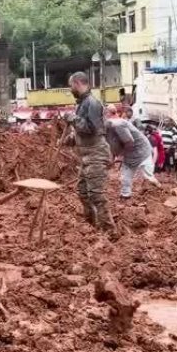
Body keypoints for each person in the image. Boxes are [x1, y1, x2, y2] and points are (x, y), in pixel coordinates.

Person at [61, 72, 115, 232]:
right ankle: (92, 226)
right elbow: (81, 132)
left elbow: (92, 129)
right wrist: (70, 139)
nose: (71, 89)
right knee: (83, 192)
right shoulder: (81, 104)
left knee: (96, 194)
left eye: (71, 86)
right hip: (86, 156)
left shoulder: (92, 103)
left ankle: (109, 231)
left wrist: (73, 119)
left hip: (96, 154)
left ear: (78, 83)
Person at [104, 105, 161, 199]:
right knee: (125, 178)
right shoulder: (110, 126)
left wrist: (121, 157)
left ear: (108, 114)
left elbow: (129, 141)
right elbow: (114, 144)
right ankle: (125, 196)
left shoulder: (118, 124)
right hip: (130, 154)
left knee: (148, 178)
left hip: (141, 153)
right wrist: (112, 158)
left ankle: (160, 192)